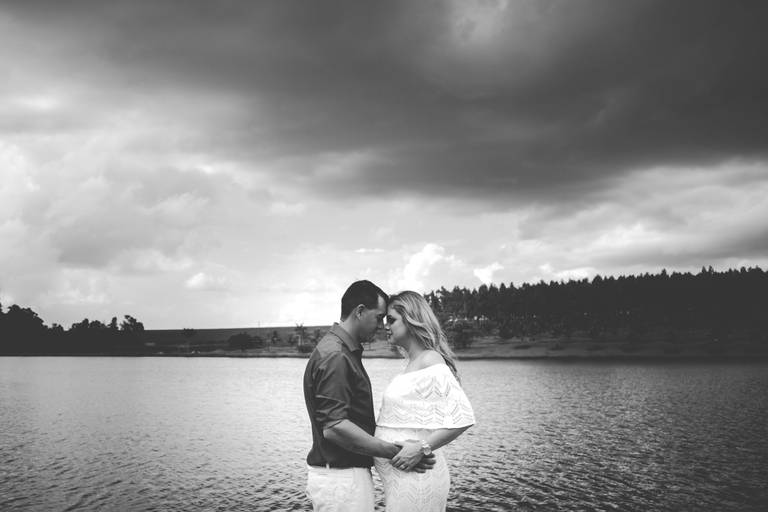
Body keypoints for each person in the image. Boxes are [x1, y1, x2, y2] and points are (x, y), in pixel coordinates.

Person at [303, 280, 435, 512]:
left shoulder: (340, 350)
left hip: (342, 479)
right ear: (360, 311)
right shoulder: (337, 356)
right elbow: (334, 427)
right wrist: (397, 452)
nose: (381, 326)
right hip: (342, 481)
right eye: (379, 317)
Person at [374, 290, 475, 512]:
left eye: (391, 320)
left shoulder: (430, 359)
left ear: (411, 320)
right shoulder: (413, 363)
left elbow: (464, 416)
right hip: (403, 481)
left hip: (418, 479)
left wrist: (421, 448)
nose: (385, 326)